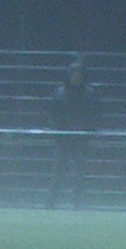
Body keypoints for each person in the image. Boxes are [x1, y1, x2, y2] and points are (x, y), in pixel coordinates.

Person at [46, 61, 102, 210]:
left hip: (81, 140)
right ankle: (51, 203)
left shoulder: (89, 93)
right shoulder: (60, 93)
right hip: (63, 139)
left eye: (78, 75)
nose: (76, 78)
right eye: (73, 74)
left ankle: (77, 203)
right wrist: (60, 128)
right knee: (58, 173)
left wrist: (87, 129)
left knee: (80, 173)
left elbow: (95, 114)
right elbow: (52, 114)